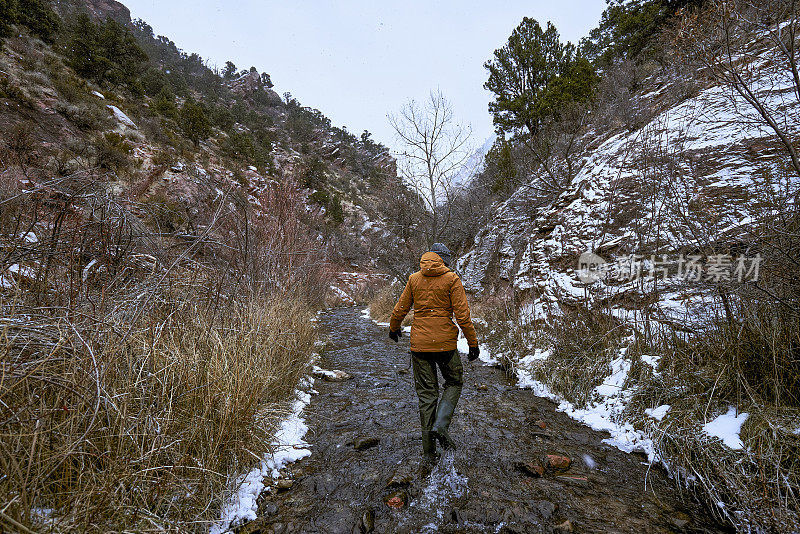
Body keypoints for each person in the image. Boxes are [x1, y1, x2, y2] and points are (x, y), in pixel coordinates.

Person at [389, 243, 479, 462]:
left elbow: (401, 307)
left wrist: (394, 327)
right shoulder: (452, 279)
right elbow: (463, 316)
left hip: (419, 346)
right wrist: (473, 343)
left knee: (427, 397)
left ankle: (429, 454)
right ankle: (441, 425)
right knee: (454, 382)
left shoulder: (414, 279)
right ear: (444, 260)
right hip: (445, 345)